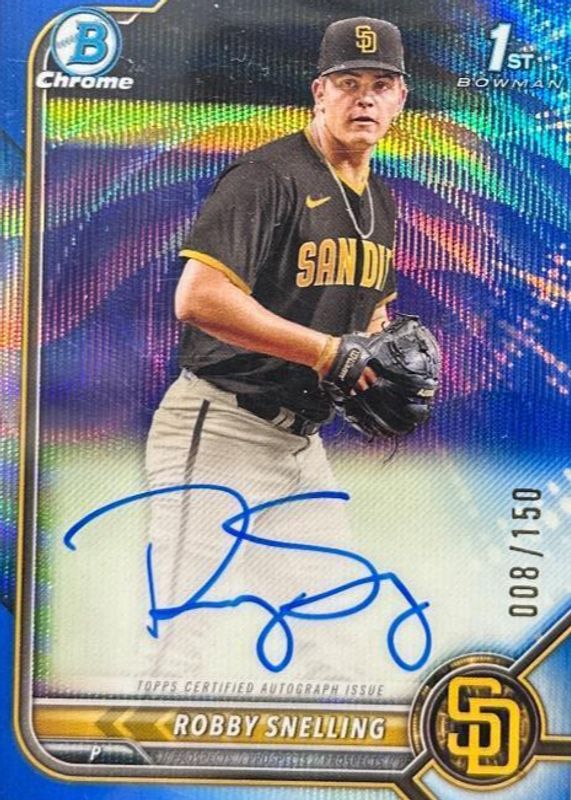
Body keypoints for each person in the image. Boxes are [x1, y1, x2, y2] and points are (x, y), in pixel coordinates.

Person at [144, 17, 409, 683]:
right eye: (348, 82)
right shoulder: (268, 176)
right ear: (319, 92)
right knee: (183, 640)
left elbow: (369, 311)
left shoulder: (378, 198)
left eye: (381, 84)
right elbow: (199, 297)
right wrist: (327, 353)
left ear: (400, 99)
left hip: (298, 446)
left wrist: (380, 361)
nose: (365, 98)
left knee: (337, 639)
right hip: (220, 426)